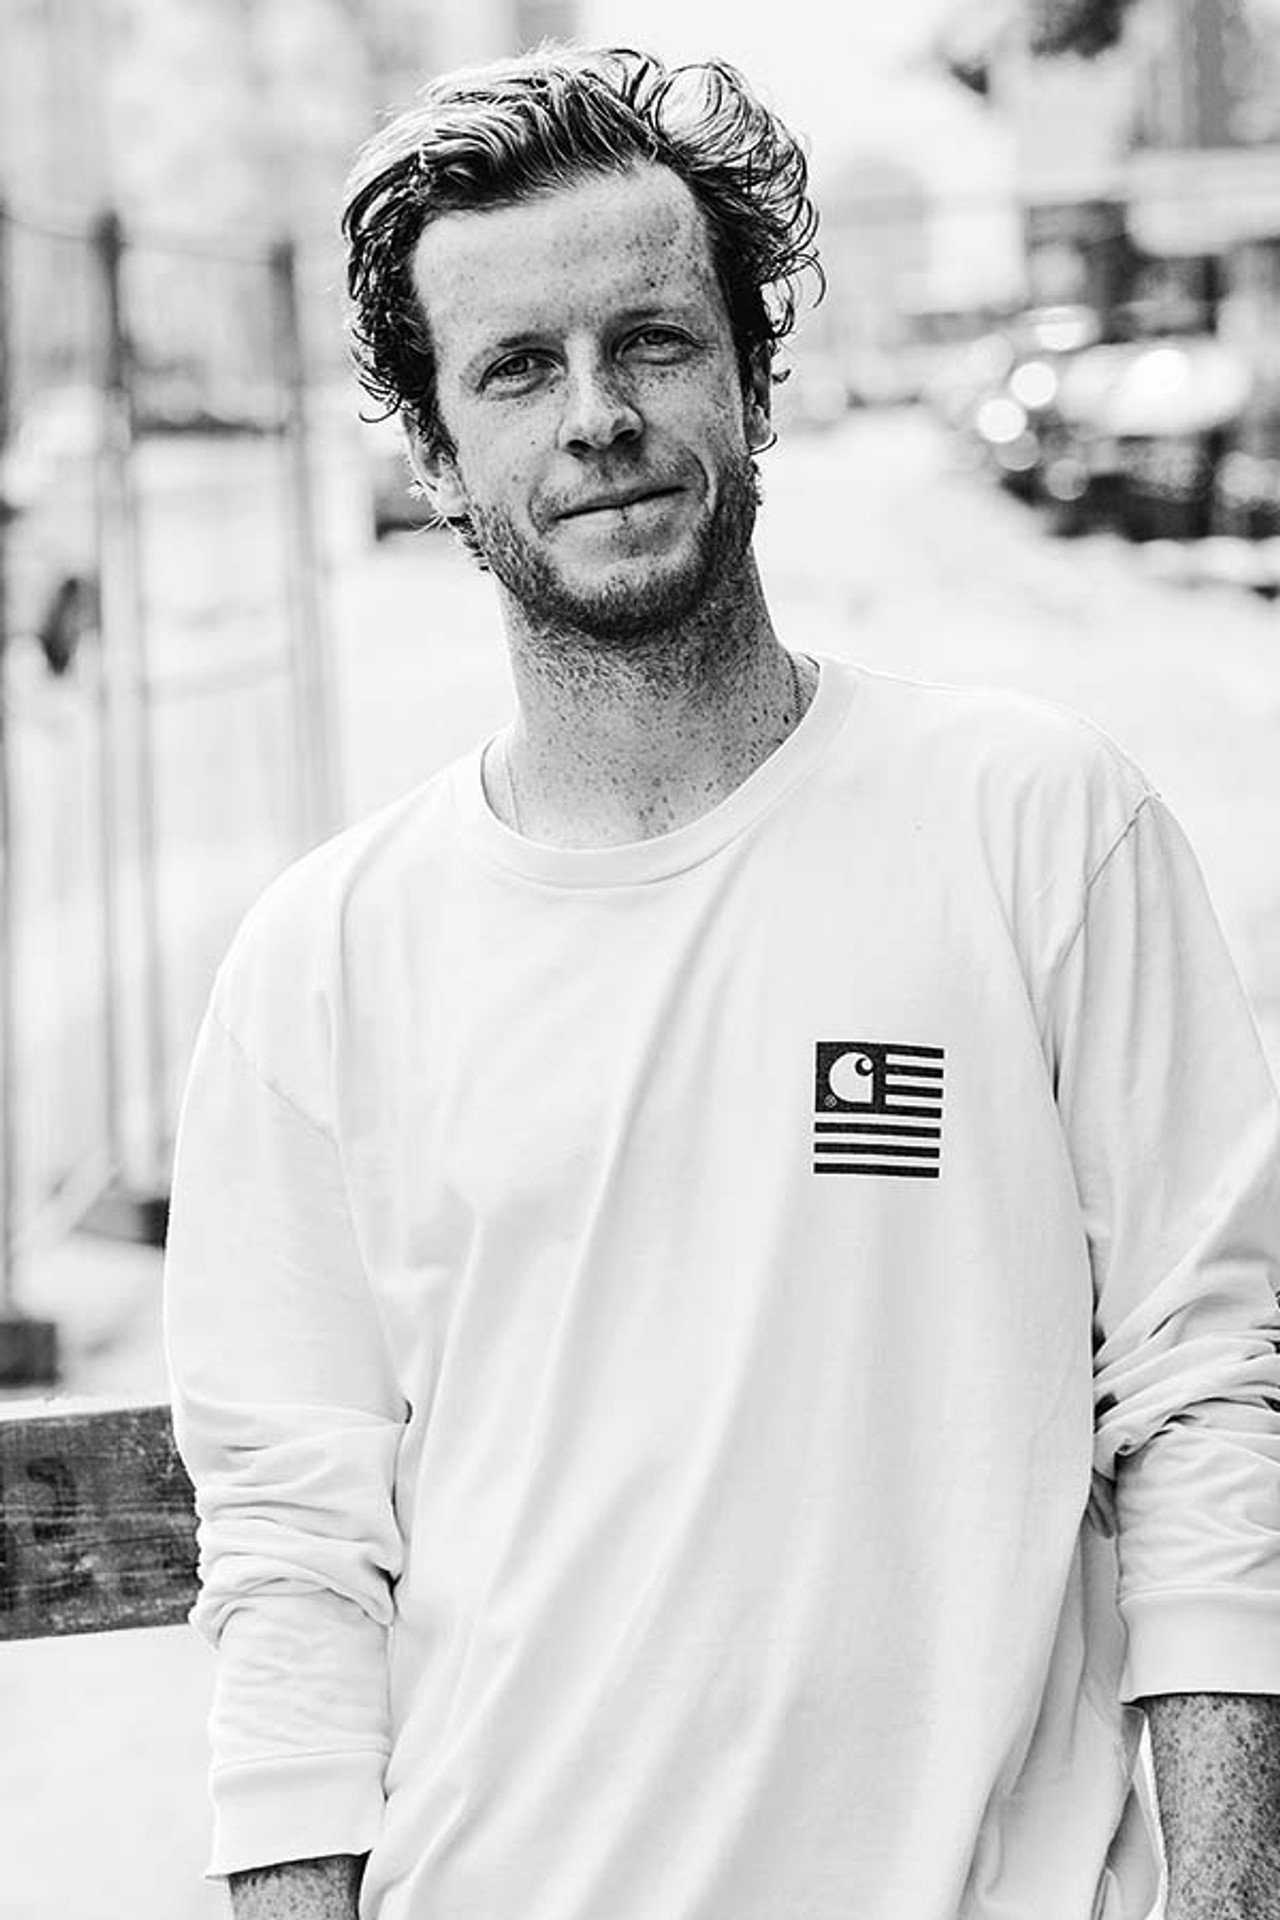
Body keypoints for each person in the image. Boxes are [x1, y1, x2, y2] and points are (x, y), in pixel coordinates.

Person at [163, 45, 1280, 1920]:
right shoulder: (322, 966)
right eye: (517, 369)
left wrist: (1230, 1893)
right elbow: (292, 1571)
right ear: (434, 457)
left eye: (654, 342)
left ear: (756, 381)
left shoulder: (1038, 826)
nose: (598, 415)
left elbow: (1208, 1399)